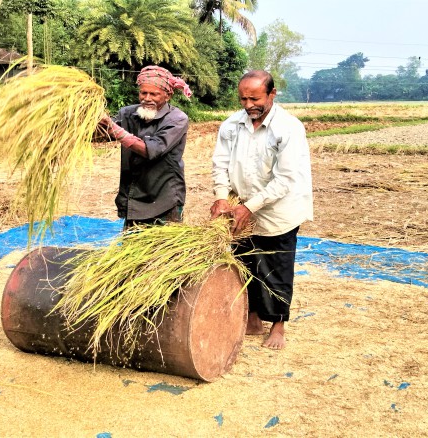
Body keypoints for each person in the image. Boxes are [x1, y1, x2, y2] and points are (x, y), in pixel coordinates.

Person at [210, 70, 313, 350]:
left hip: (279, 210)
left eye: (255, 98)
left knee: (275, 268)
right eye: (243, 98)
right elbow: (220, 163)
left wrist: (249, 207)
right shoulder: (232, 125)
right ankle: (252, 318)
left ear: (272, 94)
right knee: (244, 263)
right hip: (240, 206)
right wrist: (222, 197)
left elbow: (285, 179)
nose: (248, 105)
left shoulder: (289, 128)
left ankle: (278, 326)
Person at [99, 66, 192, 229]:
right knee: (131, 252)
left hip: (163, 200)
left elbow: (151, 150)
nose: (147, 98)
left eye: (154, 94)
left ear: (168, 95)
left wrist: (115, 129)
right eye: (143, 93)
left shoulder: (177, 119)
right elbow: (102, 134)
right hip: (132, 199)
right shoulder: (127, 113)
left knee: (164, 252)